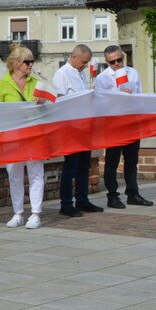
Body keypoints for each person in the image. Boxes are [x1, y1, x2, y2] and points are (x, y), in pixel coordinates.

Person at [0, 44, 45, 229]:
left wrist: (43, 103)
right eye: (27, 61)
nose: (31, 65)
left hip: (34, 134)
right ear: (15, 63)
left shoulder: (37, 82)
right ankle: (18, 213)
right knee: (14, 174)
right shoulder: (1, 85)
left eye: (32, 61)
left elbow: (49, 108)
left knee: (36, 173)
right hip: (12, 136)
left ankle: (36, 214)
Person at [93, 45, 154, 209]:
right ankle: (112, 196)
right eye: (113, 62)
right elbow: (100, 103)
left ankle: (133, 193)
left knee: (132, 160)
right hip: (113, 123)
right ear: (107, 62)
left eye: (120, 60)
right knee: (112, 161)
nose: (117, 64)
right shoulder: (102, 78)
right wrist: (117, 96)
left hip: (131, 120)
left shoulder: (132, 73)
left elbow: (140, 95)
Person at [53, 44, 102, 216]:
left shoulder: (81, 73)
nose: (85, 65)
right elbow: (60, 99)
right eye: (83, 62)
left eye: (87, 62)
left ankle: (82, 199)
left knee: (84, 166)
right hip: (70, 126)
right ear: (74, 57)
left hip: (84, 125)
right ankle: (66, 203)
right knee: (70, 166)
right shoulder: (62, 74)